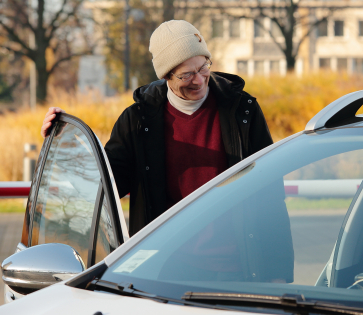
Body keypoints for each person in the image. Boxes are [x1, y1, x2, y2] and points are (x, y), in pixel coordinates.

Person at [41, 20, 294, 282]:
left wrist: (279, 273)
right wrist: (66, 142)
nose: (199, 80)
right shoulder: (137, 121)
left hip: (238, 269)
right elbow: (106, 186)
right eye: (186, 75)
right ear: (166, 76)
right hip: (163, 272)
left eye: (203, 67)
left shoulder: (244, 112)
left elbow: (270, 193)